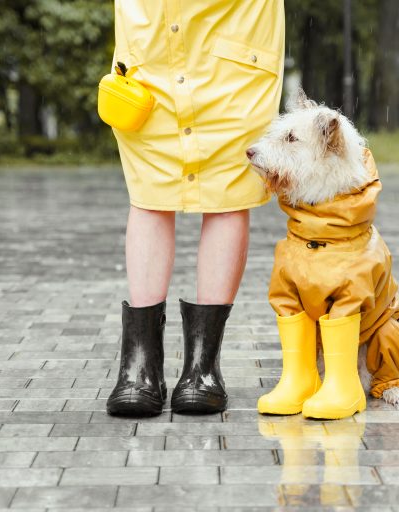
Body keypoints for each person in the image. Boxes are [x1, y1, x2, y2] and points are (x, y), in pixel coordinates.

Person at [106, 0, 285, 416]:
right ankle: (139, 367)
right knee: (149, 193)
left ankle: (203, 369)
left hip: (236, 42)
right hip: (150, 45)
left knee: (227, 195)